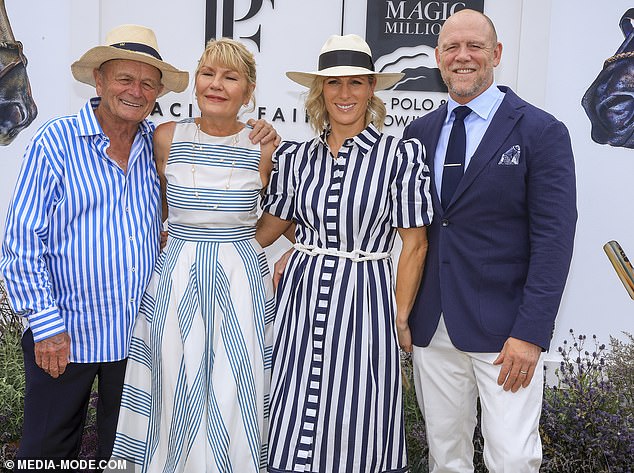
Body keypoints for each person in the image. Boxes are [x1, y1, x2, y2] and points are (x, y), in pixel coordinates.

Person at [0, 25, 275, 469]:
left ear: (159, 92)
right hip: (67, 332)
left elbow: (200, 211)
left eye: (148, 83)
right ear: (99, 81)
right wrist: (46, 326)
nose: (136, 91)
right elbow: (22, 242)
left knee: (126, 454)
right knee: (47, 453)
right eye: (124, 79)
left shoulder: (157, 141)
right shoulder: (57, 142)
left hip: (137, 336)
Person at [403, 9, 577, 472]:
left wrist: (530, 332)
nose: (463, 57)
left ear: (495, 54)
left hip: (506, 335)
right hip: (433, 327)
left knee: (514, 459)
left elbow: (554, 242)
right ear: (438, 58)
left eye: (474, 47)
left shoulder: (542, 132)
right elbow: (408, 227)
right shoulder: (417, 134)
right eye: (451, 48)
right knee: (446, 456)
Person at [256, 34, 433, 473]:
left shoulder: (400, 155)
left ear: (372, 89)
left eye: (356, 83)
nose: (344, 93)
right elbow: (268, 229)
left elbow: (415, 244)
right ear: (320, 92)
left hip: (366, 296)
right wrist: (197, 236)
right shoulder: (296, 157)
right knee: (295, 396)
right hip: (301, 295)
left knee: (361, 406)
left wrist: (401, 316)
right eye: (334, 84)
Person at [109, 38, 276, 473]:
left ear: (250, 89)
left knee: (236, 388)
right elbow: (156, 208)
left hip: (241, 284)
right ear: (195, 81)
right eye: (208, 74)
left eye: (230, 77)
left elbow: (287, 214)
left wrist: (244, 249)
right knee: (171, 385)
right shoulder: (165, 137)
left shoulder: (265, 147)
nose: (215, 85)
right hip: (176, 277)